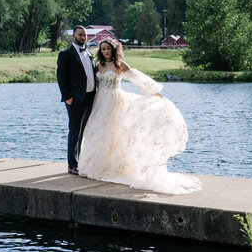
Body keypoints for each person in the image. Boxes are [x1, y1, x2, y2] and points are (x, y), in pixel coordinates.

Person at [76, 37, 200, 195]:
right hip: (100, 103)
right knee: (98, 133)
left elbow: (136, 77)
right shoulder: (98, 66)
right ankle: (97, 165)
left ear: (114, 50)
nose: (105, 51)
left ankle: (116, 166)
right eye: (103, 49)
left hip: (115, 101)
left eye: (108, 48)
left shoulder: (119, 64)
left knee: (115, 134)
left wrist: (153, 91)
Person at [56, 25, 96, 175]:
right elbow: (61, 77)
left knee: (85, 131)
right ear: (74, 36)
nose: (83, 37)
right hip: (75, 99)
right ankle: (72, 164)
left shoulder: (89, 53)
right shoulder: (65, 54)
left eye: (85, 35)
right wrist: (67, 97)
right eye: (80, 35)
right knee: (74, 131)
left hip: (90, 97)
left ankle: (82, 161)